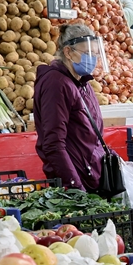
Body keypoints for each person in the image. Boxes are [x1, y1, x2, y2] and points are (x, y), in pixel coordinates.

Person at [35, 23, 107, 192]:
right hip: (77, 181)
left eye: (96, 54)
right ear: (68, 52)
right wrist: (76, 188)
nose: (93, 60)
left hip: (91, 177)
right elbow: (53, 144)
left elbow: (92, 135)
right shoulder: (56, 83)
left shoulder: (82, 82)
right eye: (88, 53)